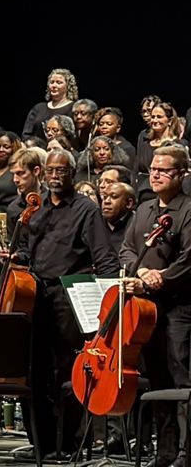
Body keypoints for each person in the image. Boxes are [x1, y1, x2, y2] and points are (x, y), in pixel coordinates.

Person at [11, 149, 118, 457]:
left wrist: (109, 301)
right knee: (36, 371)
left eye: (61, 171)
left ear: (72, 174)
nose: (55, 176)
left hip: (69, 296)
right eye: (51, 171)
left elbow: (104, 257)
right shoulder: (37, 208)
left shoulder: (86, 209)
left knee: (67, 371)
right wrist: (17, 257)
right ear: (43, 173)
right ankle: (42, 444)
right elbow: (27, 251)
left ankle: (70, 444)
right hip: (36, 296)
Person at [120, 145, 191, 467]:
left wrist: (160, 277)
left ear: (181, 174)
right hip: (147, 309)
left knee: (181, 378)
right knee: (158, 377)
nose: (156, 175)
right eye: (153, 170)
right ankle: (165, 452)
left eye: (164, 170)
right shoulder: (145, 210)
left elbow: (188, 258)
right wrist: (142, 272)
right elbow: (126, 250)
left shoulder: (188, 210)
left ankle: (186, 452)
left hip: (180, 308)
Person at [21, 68, 78, 141]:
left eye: (59, 82)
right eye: (52, 82)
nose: (54, 85)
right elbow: (26, 134)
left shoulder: (73, 108)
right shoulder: (38, 108)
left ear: (68, 86)